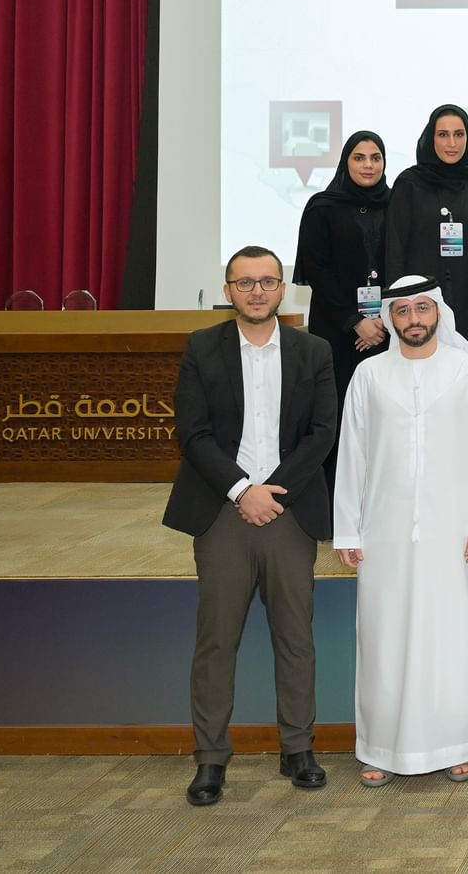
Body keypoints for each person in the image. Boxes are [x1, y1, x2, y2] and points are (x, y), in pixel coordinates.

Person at [162, 246, 337, 807]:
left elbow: (322, 431)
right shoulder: (201, 347)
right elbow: (192, 432)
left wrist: (273, 491)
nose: (256, 291)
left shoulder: (313, 350)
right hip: (223, 511)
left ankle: (298, 749)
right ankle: (211, 758)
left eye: (267, 281)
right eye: (245, 282)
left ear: (283, 288)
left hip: (289, 510)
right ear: (228, 290)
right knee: (216, 640)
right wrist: (243, 490)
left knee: (296, 637)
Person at [332, 277, 468, 786]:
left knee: (453, 636)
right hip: (384, 530)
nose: (413, 319)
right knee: (385, 637)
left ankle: (459, 743)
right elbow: (352, 454)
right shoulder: (369, 375)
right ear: (390, 318)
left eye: (422, 308)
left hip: (456, 530)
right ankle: (382, 747)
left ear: (438, 312)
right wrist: (347, 530)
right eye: (402, 310)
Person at [291, 130, 391, 494]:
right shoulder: (323, 206)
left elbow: (404, 262)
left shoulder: (396, 204)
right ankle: (334, 502)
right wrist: (355, 321)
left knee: (381, 414)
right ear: (345, 162)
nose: (368, 165)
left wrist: (383, 321)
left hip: (385, 331)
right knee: (336, 412)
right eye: (359, 157)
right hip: (336, 329)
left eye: (375, 158)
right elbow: (318, 270)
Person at [385, 105, 468, 347]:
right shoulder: (409, 183)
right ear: (430, 138)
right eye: (443, 134)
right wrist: (398, 305)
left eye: (459, 134)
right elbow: (395, 250)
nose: (452, 143)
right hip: (419, 304)